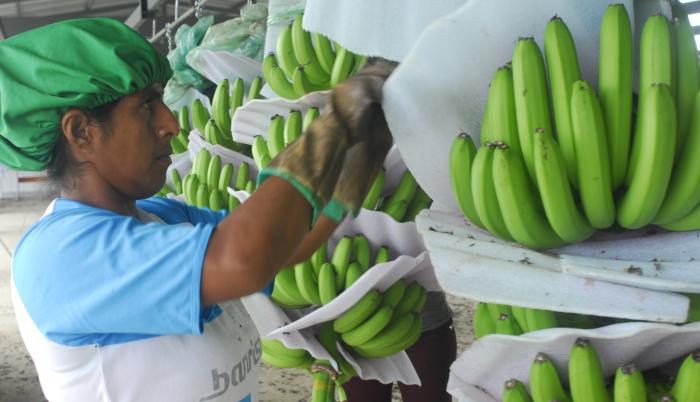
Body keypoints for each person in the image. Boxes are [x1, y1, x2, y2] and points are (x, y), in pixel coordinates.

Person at [1, 17, 455, 402]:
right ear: (81, 131)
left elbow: (283, 244)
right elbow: (244, 259)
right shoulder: (60, 258)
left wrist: (352, 170)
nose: (171, 124)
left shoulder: (164, 218)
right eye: (145, 107)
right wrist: (333, 123)